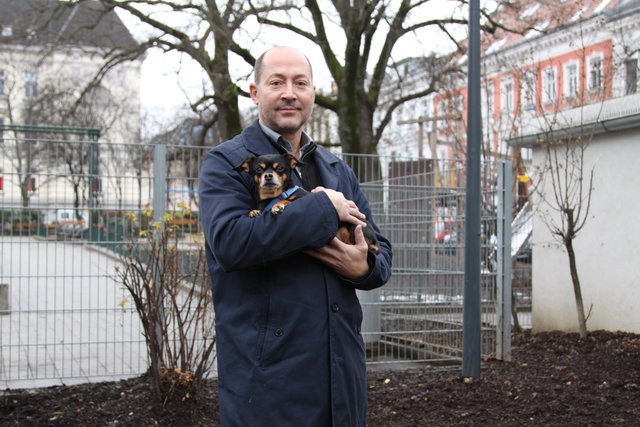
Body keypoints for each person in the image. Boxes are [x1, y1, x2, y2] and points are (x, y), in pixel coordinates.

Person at [198, 46, 392, 426]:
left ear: (312, 94)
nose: (290, 92)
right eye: (277, 82)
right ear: (255, 92)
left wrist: (361, 266)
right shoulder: (228, 163)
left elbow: (381, 253)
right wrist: (322, 210)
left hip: (342, 380)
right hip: (269, 385)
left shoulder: (336, 170)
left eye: (300, 83)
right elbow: (230, 243)